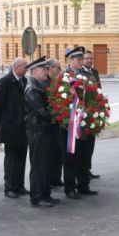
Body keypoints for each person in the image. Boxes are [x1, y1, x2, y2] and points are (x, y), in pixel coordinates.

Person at [62, 46, 98, 198]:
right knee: (71, 158)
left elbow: (92, 94)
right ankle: (70, 188)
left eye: (81, 59)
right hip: (70, 124)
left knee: (84, 155)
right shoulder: (64, 76)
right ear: (70, 60)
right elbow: (61, 99)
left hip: (85, 122)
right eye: (78, 59)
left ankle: (84, 185)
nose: (81, 62)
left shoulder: (85, 74)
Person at [24, 56, 60, 207]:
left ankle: (45, 194)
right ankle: (37, 197)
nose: (46, 72)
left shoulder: (42, 85)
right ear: (35, 71)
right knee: (38, 165)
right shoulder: (32, 89)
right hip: (37, 131)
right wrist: (60, 115)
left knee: (46, 164)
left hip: (44, 130)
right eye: (43, 69)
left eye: (47, 69)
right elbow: (42, 111)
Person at [0, 57, 28, 199]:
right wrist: (0, 124)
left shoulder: (24, 81)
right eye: (25, 67)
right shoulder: (5, 81)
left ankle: (19, 186)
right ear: (17, 67)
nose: (27, 69)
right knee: (11, 159)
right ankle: (9, 188)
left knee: (21, 158)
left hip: (23, 127)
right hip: (10, 127)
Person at [82, 50, 101, 180]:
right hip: (84, 113)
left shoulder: (95, 72)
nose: (89, 60)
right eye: (87, 58)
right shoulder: (80, 73)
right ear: (82, 60)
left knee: (91, 144)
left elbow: (99, 88)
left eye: (91, 58)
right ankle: (83, 170)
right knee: (84, 145)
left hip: (94, 112)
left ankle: (88, 169)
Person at [46, 58, 64, 188]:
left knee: (58, 152)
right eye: (58, 67)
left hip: (57, 123)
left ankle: (56, 178)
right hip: (48, 124)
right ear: (51, 68)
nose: (60, 70)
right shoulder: (46, 83)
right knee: (50, 154)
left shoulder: (57, 81)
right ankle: (50, 179)